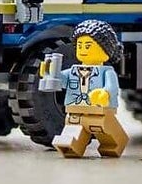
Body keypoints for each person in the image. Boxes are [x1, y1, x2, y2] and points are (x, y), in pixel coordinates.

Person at [45, 19, 129, 159]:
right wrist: (50, 72)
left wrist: (104, 93)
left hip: (98, 110)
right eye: (80, 46)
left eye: (88, 46)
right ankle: (71, 147)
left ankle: (115, 144)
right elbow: (62, 80)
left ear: (106, 50)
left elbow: (112, 87)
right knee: (72, 129)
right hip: (75, 109)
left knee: (104, 129)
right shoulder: (73, 71)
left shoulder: (106, 72)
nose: (83, 50)